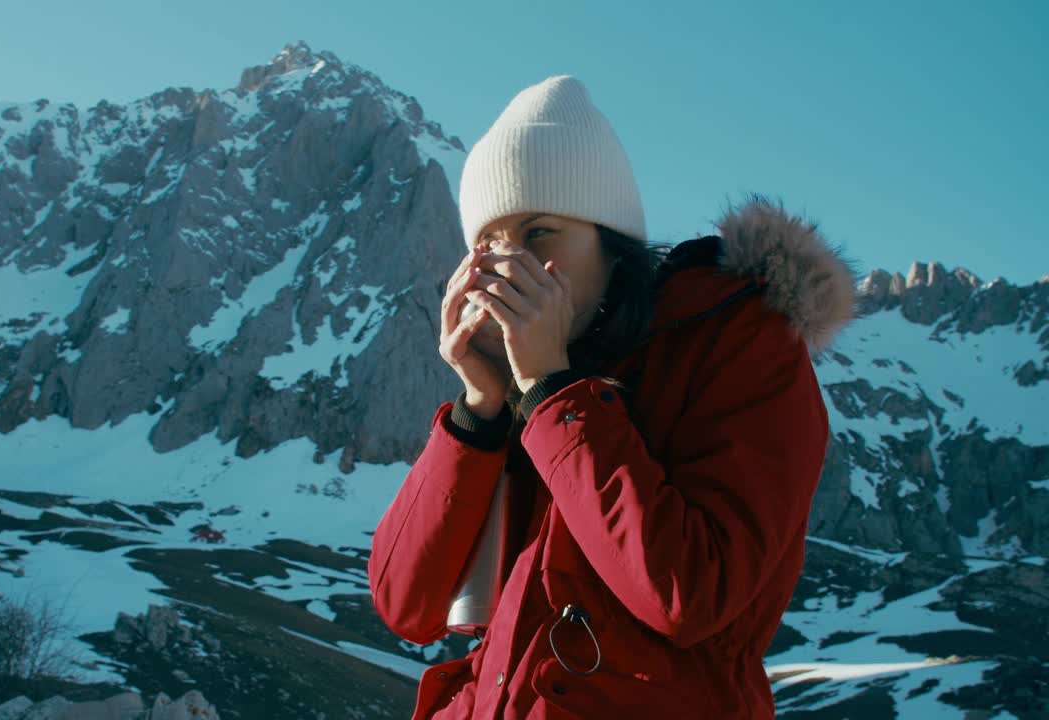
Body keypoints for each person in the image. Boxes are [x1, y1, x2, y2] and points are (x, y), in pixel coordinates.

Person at [366, 75, 857, 719]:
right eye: (489, 244)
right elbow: (408, 606)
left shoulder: (740, 338)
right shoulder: (529, 381)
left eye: (540, 232)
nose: (510, 265)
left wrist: (550, 389)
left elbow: (688, 594)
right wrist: (478, 407)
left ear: (610, 239)